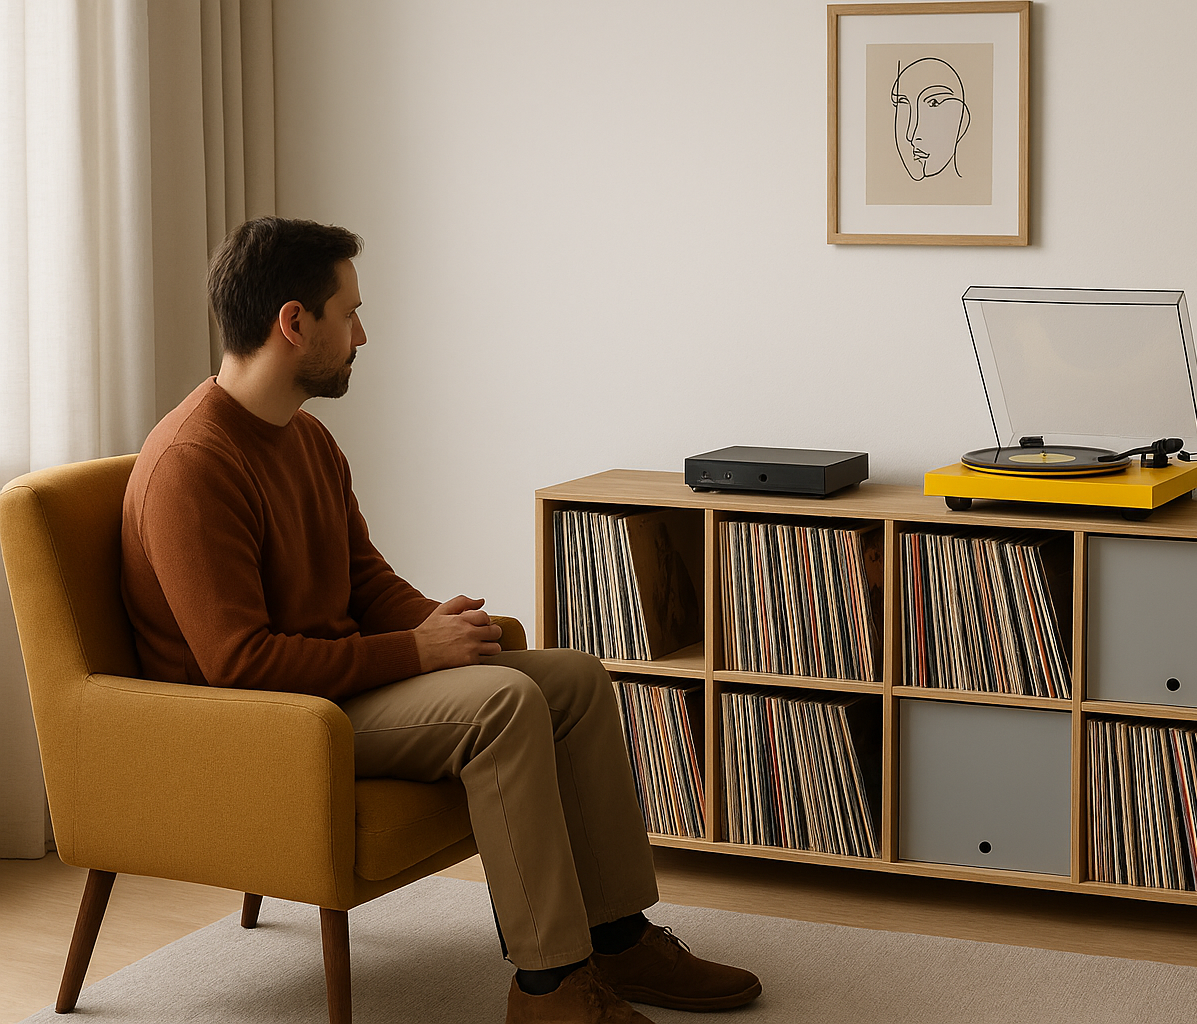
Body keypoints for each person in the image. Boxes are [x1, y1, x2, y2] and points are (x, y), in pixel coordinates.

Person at [120, 217, 760, 1024]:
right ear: (293, 323)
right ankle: (548, 989)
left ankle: (619, 936)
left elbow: (362, 579)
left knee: (571, 677)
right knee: (502, 706)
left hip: (328, 690)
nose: (363, 333)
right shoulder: (193, 464)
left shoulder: (308, 441)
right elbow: (239, 663)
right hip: (260, 723)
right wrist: (416, 652)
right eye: (348, 312)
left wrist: (435, 624)